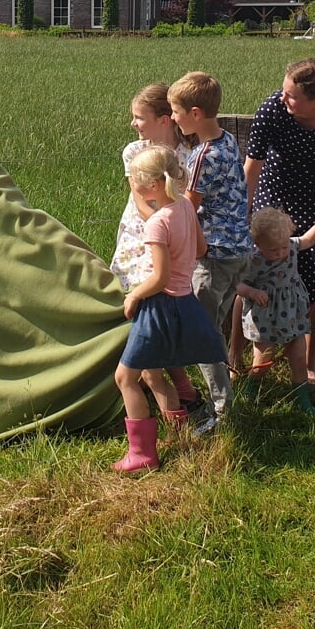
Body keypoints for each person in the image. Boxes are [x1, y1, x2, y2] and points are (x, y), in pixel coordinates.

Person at [111, 146, 227, 473]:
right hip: (184, 301)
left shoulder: (157, 224)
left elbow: (159, 278)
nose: (132, 183)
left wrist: (134, 296)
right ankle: (179, 435)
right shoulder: (185, 208)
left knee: (126, 378)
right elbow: (201, 248)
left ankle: (142, 455)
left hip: (159, 307)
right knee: (151, 371)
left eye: (135, 179)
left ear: (151, 185)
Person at [244, 57, 315, 388]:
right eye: (283, 91)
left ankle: (307, 365)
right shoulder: (272, 110)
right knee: (257, 270)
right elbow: (251, 168)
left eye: (291, 95)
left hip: (314, 200)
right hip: (271, 194)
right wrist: (242, 216)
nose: (282, 98)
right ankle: (249, 356)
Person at [108, 83, 206, 419]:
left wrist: (168, 230)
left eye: (140, 117)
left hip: (168, 239)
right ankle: (179, 391)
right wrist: (161, 225)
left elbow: (185, 204)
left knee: (154, 307)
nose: (134, 124)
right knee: (142, 309)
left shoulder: (187, 157)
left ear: (164, 120)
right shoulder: (133, 152)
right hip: (140, 235)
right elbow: (138, 196)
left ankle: (170, 390)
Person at [169, 71, 254, 422]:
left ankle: (222, 410)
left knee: (203, 334)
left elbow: (188, 207)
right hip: (240, 250)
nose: (172, 118)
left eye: (175, 112)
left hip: (213, 253)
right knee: (214, 326)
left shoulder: (202, 156)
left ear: (195, 113)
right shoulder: (229, 140)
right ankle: (223, 394)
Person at [235, 208, 315, 414]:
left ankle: (302, 400)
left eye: (283, 246)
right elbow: (236, 284)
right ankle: (250, 391)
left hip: (292, 312)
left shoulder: (290, 246)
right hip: (265, 316)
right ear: (258, 244)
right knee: (263, 360)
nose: (280, 253)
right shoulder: (252, 259)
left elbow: (307, 240)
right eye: (272, 249)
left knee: (298, 358)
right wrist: (251, 292)